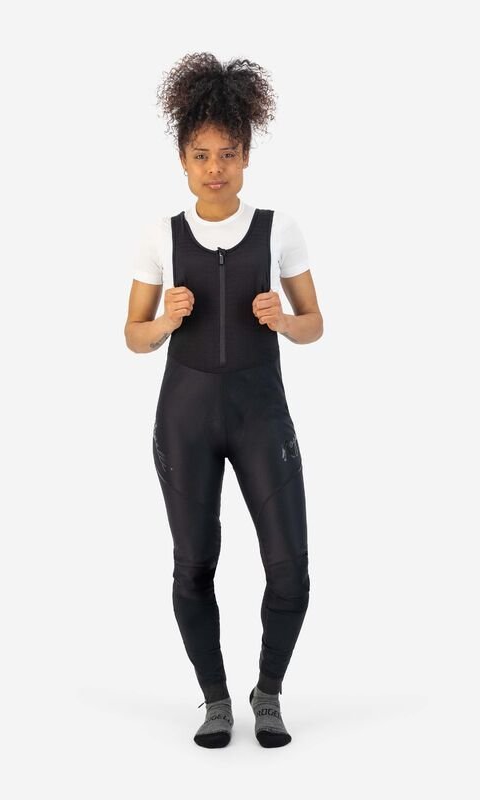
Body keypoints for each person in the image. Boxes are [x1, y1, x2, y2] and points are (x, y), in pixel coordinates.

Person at [124, 52, 323, 748]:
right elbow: (133, 336)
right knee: (193, 566)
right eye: (202, 155)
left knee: (291, 571)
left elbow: (315, 324)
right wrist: (166, 320)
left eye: (229, 154)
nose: (216, 168)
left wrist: (283, 320)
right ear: (183, 160)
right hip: (185, 419)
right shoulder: (160, 234)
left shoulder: (279, 228)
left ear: (246, 156)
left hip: (260, 412)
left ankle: (268, 693)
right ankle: (214, 700)